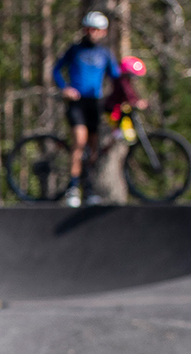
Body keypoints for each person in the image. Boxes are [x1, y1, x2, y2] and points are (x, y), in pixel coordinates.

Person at [52, 12, 125, 209]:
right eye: (89, 29)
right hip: (77, 103)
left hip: (94, 103)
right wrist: (64, 87)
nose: (92, 33)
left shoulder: (105, 54)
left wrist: (129, 95)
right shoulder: (75, 50)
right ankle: (73, 188)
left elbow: (117, 79)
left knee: (93, 148)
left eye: (96, 29)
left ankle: (89, 189)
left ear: (103, 32)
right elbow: (56, 70)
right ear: (85, 29)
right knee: (79, 140)